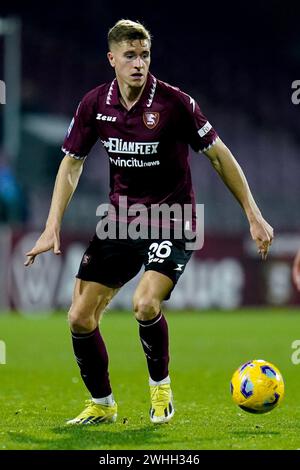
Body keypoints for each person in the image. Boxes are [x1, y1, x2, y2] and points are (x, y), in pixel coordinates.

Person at [24, 19, 273, 425]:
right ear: (112, 59)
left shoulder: (175, 104)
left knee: (144, 303)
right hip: (121, 222)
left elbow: (218, 155)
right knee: (79, 317)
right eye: (130, 56)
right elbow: (72, 163)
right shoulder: (94, 105)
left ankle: (161, 392)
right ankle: (102, 405)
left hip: (173, 219)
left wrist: (253, 213)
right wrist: (52, 224)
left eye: (144, 55)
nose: (139, 63)